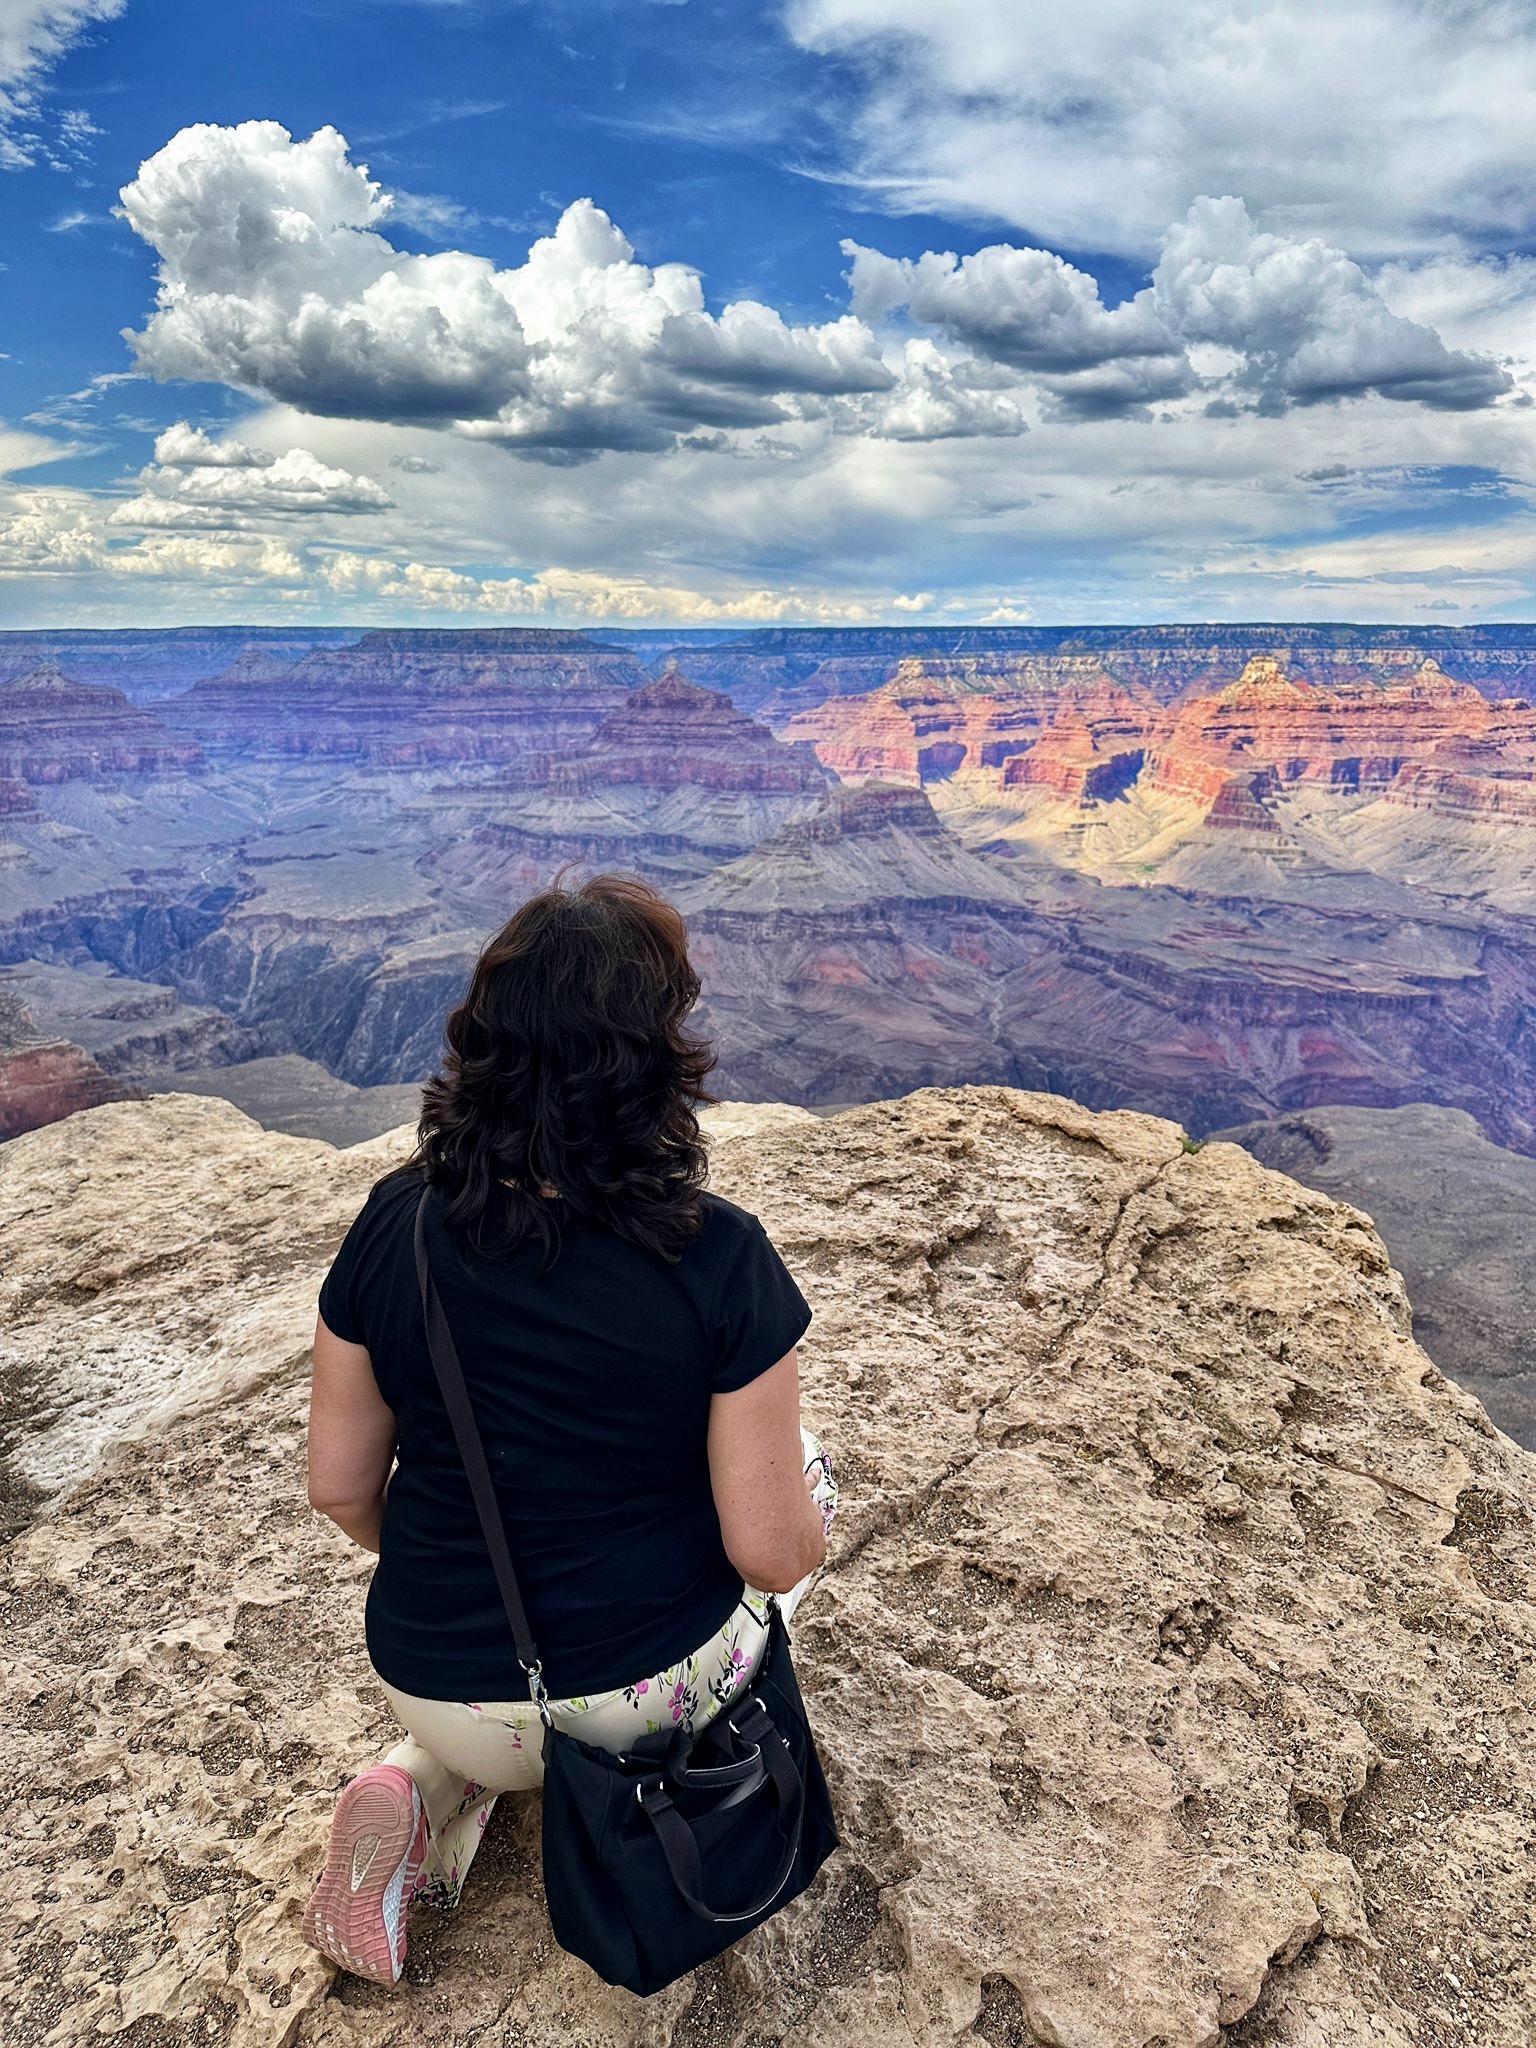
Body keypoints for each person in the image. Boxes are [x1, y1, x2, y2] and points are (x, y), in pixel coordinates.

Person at [301, 872, 839, 1987]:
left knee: (508, 1695)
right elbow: (769, 1553)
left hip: (429, 1671)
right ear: (658, 1057)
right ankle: (511, 1764)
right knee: (804, 1487)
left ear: (485, 1041)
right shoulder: (719, 1256)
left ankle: (421, 1778)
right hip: (636, 1693)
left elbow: (340, 1487)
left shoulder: (393, 1225)